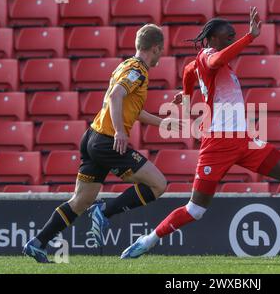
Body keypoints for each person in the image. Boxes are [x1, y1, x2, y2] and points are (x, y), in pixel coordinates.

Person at [120, 8, 280, 259]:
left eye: (234, 36)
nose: (231, 39)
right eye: (229, 36)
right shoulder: (208, 56)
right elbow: (212, 64)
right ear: (213, 38)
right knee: (196, 210)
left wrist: (184, 99)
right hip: (217, 144)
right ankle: (148, 240)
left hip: (244, 141)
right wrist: (249, 37)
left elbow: (188, 86)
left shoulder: (195, 66)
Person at [23, 24, 177, 263]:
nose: (161, 55)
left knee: (80, 200)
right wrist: (119, 132)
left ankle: (38, 242)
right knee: (158, 184)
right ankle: (104, 211)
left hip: (92, 137)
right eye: (161, 50)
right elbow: (116, 96)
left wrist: (163, 123)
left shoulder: (124, 65)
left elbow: (131, 108)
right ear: (156, 48)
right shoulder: (138, 70)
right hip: (107, 141)